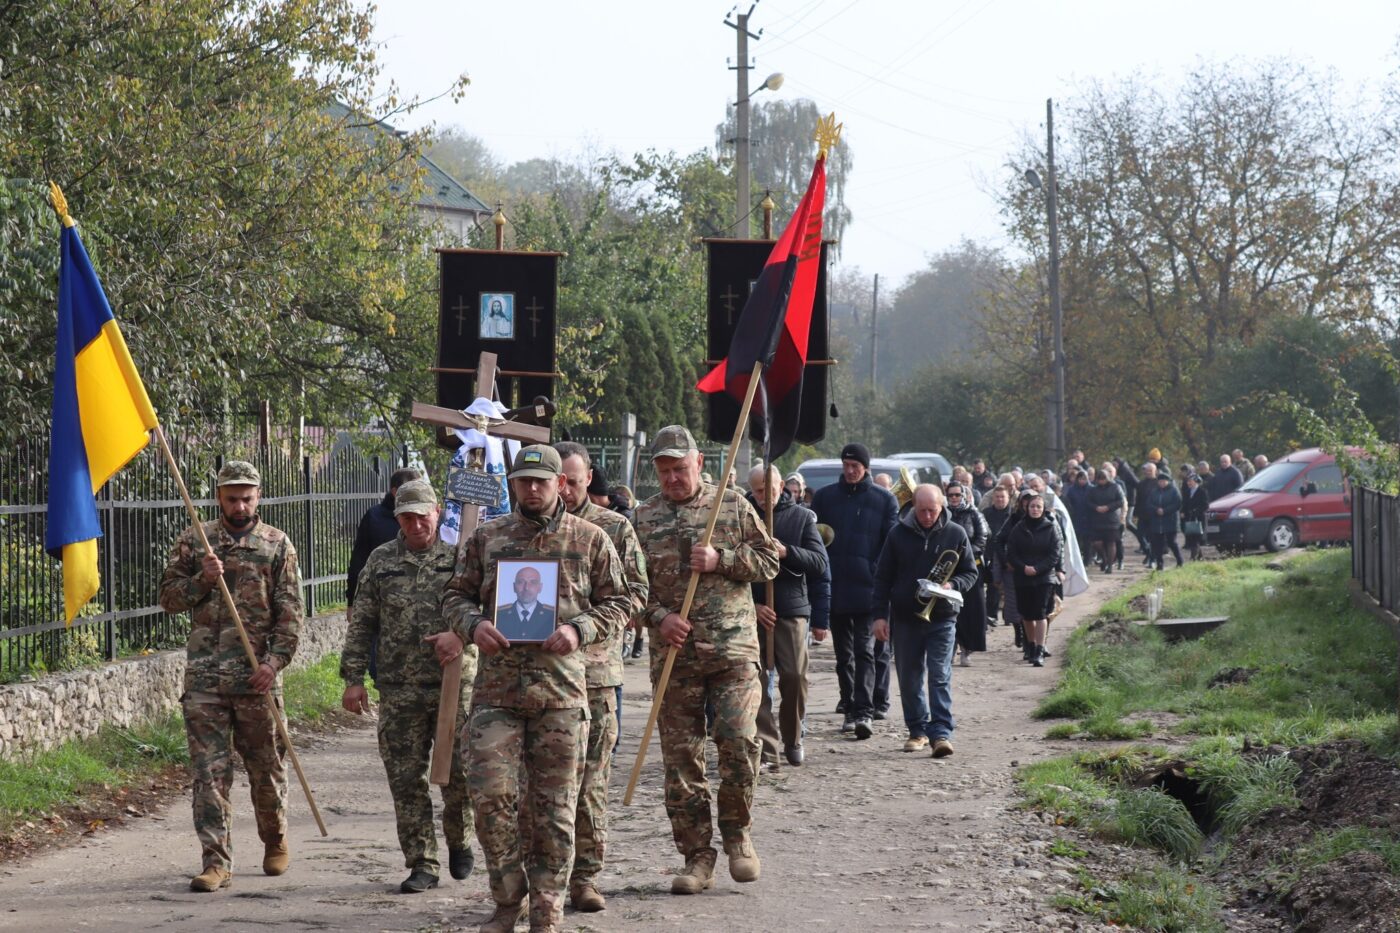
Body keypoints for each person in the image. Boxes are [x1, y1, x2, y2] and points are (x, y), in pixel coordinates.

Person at [432, 445, 631, 933]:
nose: (534, 489)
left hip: (561, 695)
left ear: (561, 483)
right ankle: (507, 899)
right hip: (497, 694)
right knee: (490, 799)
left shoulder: (590, 539)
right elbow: (454, 594)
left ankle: (547, 908)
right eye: (525, 481)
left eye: (543, 480)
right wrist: (473, 624)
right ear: (514, 485)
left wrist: (580, 629)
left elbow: (625, 600)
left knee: (556, 810)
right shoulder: (488, 537)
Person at [633, 425, 779, 896]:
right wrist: (658, 617)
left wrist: (723, 560)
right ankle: (697, 855)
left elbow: (770, 560)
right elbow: (625, 591)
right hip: (675, 657)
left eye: (680, 468)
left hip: (733, 648)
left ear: (699, 464)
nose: (673, 478)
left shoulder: (732, 505)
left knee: (738, 742)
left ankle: (737, 832)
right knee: (681, 761)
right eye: (664, 471)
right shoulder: (642, 518)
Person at [158, 460, 302, 893]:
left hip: (256, 679)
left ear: (258, 497)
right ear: (219, 497)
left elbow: (291, 614)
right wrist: (203, 579)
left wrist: (273, 663)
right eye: (231, 497)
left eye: (246, 497)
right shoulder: (196, 542)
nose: (239, 505)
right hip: (205, 680)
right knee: (208, 774)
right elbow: (168, 598)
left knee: (266, 768)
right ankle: (216, 861)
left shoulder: (276, 545)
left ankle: (274, 839)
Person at [339, 479, 476, 894]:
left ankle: (460, 839)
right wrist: (353, 678)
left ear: (437, 512)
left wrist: (463, 636)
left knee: (460, 775)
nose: (416, 524)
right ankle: (422, 861)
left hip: (453, 685)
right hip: (399, 688)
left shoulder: (461, 557)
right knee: (405, 779)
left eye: (423, 515)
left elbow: (486, 611)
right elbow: (363, 622)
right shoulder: (381, 562)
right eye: (407, 516)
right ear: (396, 517)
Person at [553, 440, 649, 913]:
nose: (566, 489)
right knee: (542, 787)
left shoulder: (613, 528)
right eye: (559, 480)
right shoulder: (517, 532)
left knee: (591, 784)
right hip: (537, 679)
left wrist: (586, 626)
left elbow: (635, 594)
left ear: (588, 477)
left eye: (573, 479)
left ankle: (585, 878)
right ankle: (544, 877)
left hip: (593, 676)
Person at [872, 485, 978, 757]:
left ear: (942, 507)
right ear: (913, 507)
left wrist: (953, 583)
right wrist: (879, 616)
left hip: (942, 617)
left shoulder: (956, 533)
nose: (928, 516)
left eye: (933, 510)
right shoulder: (897, 534)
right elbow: (883, 577)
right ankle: (917, 730)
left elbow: (970, 572)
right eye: (922, 510)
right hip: (906, 618)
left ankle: (941, 732)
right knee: (909, 677)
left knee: (939, 674)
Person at [810, 442, 898, 739]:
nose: (849, 471)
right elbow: (814, 540)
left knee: (865, 651)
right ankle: (848, 705)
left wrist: (877, 574)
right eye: (846, 466)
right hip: (834, 586)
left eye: (855, 467)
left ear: (865, 468)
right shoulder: (824, 499)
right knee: (842, 655)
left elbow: (890, 545)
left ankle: (863, 711)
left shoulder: (884, 500)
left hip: (868, 589)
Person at [747, 464, 828, 769]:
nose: (762, 496)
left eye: (768, 489)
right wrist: (752, 605)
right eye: (756, 490)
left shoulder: (802, 516)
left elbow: (819, 563)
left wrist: (787, 552)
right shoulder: (741, 515)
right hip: (753, 610)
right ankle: (767, 750)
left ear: (782, 487)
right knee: (755, 681)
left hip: (791, 609)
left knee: (794, 676)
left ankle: (793, 737)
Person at [1005, 492, 1064, 667]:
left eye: (1038, 506)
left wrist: (1038, 568)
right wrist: (1023, 567)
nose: (1035, 509)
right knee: (1026, 614)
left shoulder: (1050, 527)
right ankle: (1030, 646)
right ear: (1026, 508)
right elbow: (1011, 552)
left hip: (1044, 577)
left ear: (1043, 509)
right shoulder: (1018, 528)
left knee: (1040, 614)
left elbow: (1055, 553)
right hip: (1022, 577)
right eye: (1032, 506)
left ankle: (1039, 649)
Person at [944, 482, 989, 667]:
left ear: (964, 495)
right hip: (947, 570)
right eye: (951, 495)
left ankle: (967, 650)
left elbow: (983, 538)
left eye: (957, 494)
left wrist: (965, 553)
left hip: (970, 569)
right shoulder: (942, 513)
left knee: (971, 612)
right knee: (949, 610)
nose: (954, 498)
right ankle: (951, 648)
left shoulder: (974, 513)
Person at [980, 486, 1013, 626]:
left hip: (1009, 556)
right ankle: (991, 615)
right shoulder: (986, 513)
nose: (1000, 499)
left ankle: (1009, 616)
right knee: (993, 587)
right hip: (990, 555)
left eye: (1002, 497)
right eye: (997, 497)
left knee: (1010, 589)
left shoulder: (1013, 515)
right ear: (993, 498)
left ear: (1008, 498)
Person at [494, 566, 557, 635]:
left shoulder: (552, 615)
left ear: (540, 587)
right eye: (521, 582)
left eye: (533, 582)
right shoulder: (499, 615)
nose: (526, 588)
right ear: (514, 587)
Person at [1086, 468, 1126, 572]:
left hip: (1111, 519)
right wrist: (1096, 507)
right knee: (1097, 543)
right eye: (1099, 479)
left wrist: (1108, 507)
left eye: (1103, 479)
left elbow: (1121, 501)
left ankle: (1109, 565)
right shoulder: (1093, 489)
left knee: (1111, 542)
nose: (1101, 481)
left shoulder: (1116, 487)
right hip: (1098, 519)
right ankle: (1104, 559)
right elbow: (1088, 502)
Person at [1143, 471, 1184, 569]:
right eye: (1160, 481)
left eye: (1163, 481)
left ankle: (1179, 560)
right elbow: (1148, 504)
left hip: (1170, 520)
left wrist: (1165, 510)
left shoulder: (1173, 491)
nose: (1161, 483)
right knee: (1157, 543)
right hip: (1157, 521)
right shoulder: (1154, 491)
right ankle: (1159, 563)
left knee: (1172, 542)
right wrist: (1156, 510)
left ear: (1168, 481)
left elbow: (1177, 504)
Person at [1181, 472, 1210, 560]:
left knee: (1196, 538)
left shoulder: (1202, 491)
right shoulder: (1187, 492)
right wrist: (1182, 512)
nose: (1189, 483)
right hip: (1189, 518)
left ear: (1196, 481)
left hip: (1199, 518)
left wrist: (1196, 511)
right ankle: (1199, 556)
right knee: (1191, 538)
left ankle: (1193, 557)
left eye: (1191, 481)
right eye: (1188, 481)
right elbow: (1184, 504)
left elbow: (1205, 505)